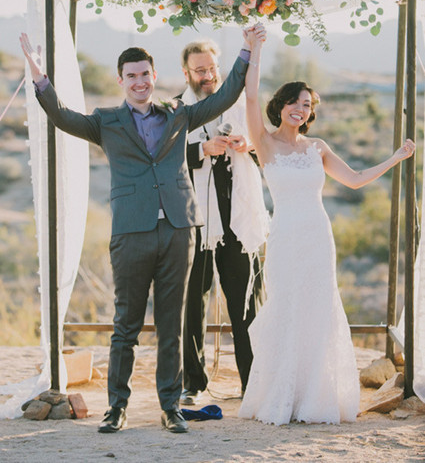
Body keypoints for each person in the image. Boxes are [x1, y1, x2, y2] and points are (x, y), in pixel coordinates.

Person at [19, 29, 264, 434]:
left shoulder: (178, 113)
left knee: (172, 326)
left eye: (145, 74)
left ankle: (170, 407)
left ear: (154, 75)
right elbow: (62, 117)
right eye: (131, 76)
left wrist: (246, 50)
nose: (139, 82)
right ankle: (117, 407)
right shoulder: (105, 121)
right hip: (131, 232)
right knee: (126, 326)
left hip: (179, 230)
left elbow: (224, 97)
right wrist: (38, 74)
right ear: (121, 80)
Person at [238, 23, 415, 425]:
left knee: (318, 310)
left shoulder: (317, 147)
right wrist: (255, 48)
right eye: (293, 102)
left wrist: (395, 158)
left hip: (318, 237)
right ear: (280, 105)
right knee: (287, 307)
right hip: (285, 237)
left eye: (306, 105)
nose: (299, 109)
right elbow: (249, 95)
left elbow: (353, 178)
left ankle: (314, 397)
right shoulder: (264, 142)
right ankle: (282, 395)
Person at [179, 39, 269, 404]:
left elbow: (268, 151)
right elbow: (163, 157)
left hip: (238, 217)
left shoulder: (242, 103)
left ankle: (254, 382)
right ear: (186, 72)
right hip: (194, 219)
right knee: (192, 302)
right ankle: (192, 384)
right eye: (200, 70)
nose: (208, 76)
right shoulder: (175, 109)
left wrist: (249, 145)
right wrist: (201, 149)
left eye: (212, 69)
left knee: (246, 300)